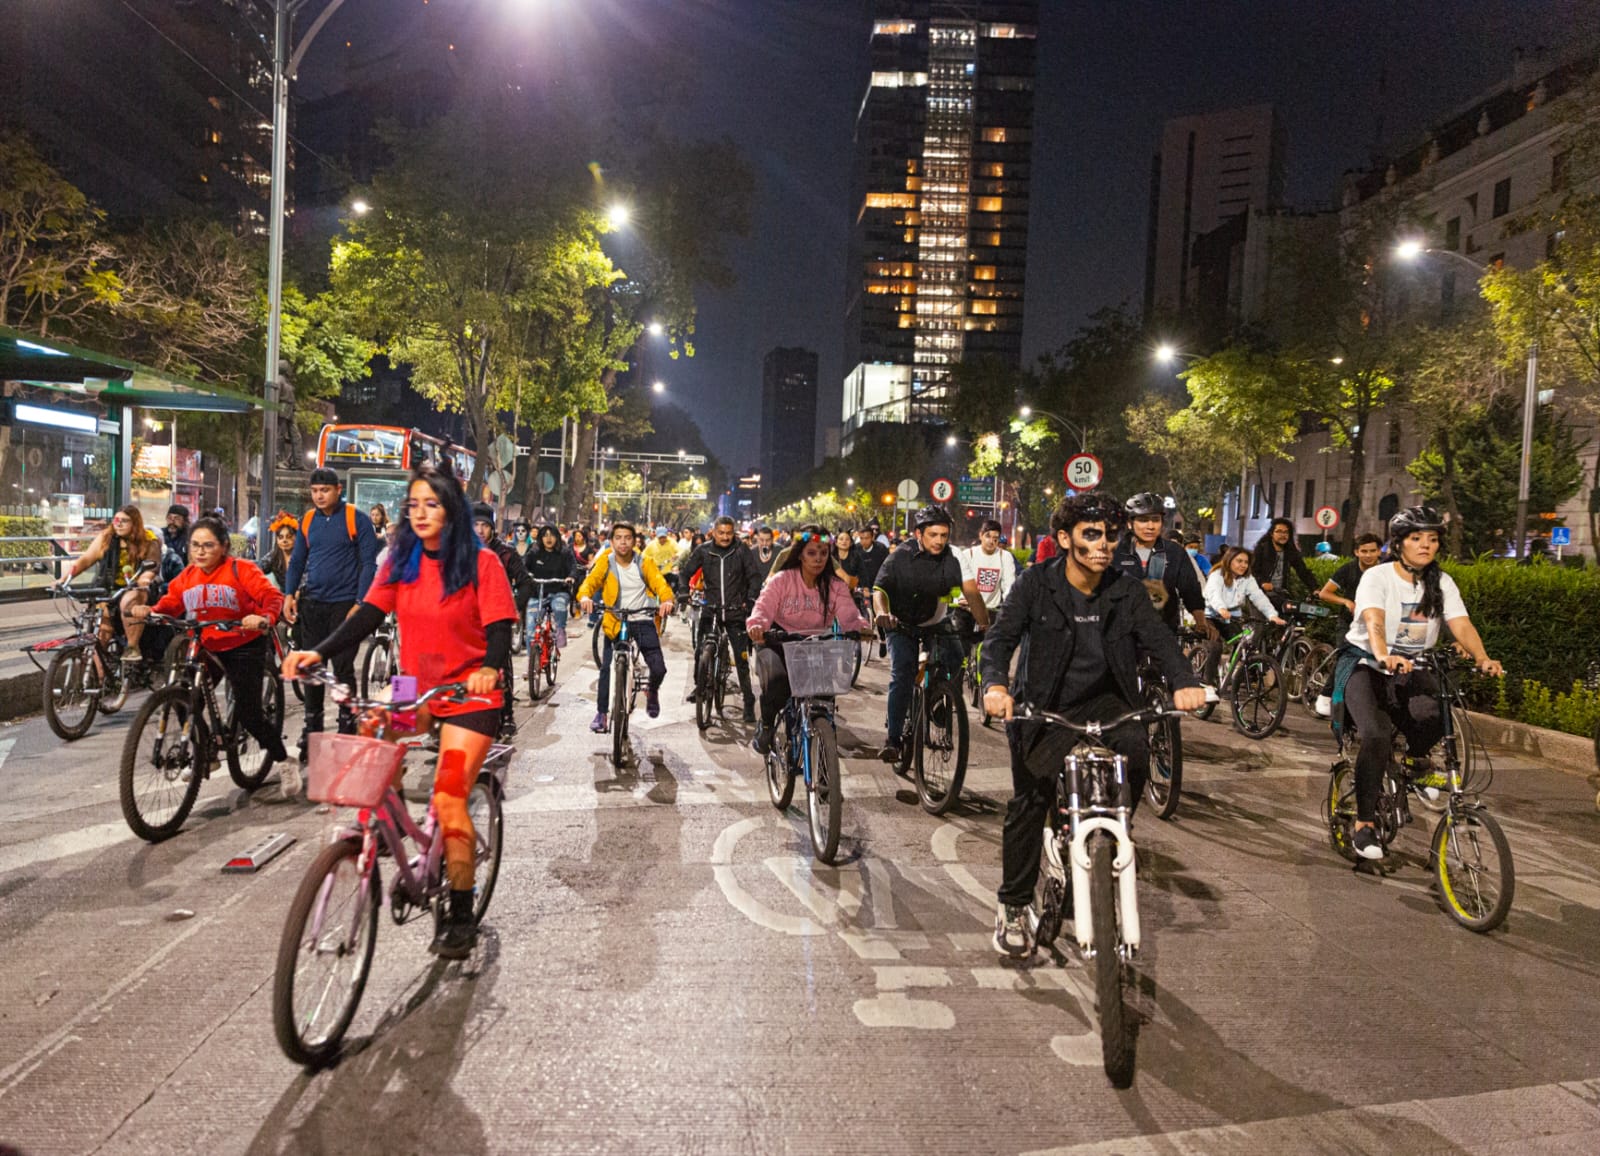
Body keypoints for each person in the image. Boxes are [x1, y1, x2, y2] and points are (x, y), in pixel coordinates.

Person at [283, 462, 517, 958]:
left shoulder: (482, 563)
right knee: (373, 731)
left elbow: (499, 629)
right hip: (415, 686)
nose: (422, 513)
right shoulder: (400, 561)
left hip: (468, 695)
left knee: (451, 797)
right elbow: (368, 614)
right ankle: (387, 828)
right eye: (414, 505)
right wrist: (319, 652)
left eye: (433, 504)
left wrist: (490, 669)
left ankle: (459, 908)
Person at [980, 494, 1206, 960]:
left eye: (1109, 535)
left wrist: (1185, 681)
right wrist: (996, 686)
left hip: (1109, 703)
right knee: (1030, 798)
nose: (1104, 544)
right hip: (1046, 704)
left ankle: (1112, 840)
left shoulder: (1125, 590)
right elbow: (1000, 639)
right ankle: (1014, 904)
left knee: (1138, 756)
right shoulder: (1035, 585)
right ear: (1065, 539)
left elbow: (1160, 641)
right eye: (1092, 535)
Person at [1339, 506, 1501, 861]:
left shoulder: (1440, 583)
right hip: (1367, 666)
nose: (1426, 546)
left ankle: (1415, 761)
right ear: (1398, 544)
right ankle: (1364, 824)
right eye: (1416, 539)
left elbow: (1460, 624)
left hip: (1413, 667)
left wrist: (1482, 657)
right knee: (1377, 735)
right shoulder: (1378, 577)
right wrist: (1383, 654)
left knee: (1436, 714)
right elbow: (1374, 619)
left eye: (1432, 539)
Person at [131, 514, 290, 779]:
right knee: (183, 697)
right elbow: (172, 603)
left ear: (224, 546)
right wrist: (151, 611)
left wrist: (263, 618)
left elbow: (271, 596)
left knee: (249, 714)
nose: (200, 552)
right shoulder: (188, 575)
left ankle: (284, 760)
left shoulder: (242, 569)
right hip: (207, 644)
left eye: (208, 545)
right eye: (195, 545)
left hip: (244, 644)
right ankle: (205, 752)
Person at [283, 467, 381, 758]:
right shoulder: (308, 520)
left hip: (344, 605)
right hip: (313, 603)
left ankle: (347, 724)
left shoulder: (356, 519)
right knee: (311, 668)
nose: (319, 496)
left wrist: (360, 602)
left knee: (342, 668)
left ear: (339, 489)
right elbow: (298, 559)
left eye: (324, 490)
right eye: (314, 491)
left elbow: (368, 563)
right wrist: (289, 593)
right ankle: (312, 729)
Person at [746, 523, 872, 751]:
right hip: (779, 640)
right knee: (776, 683)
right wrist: (757, 626)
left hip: (817, 645)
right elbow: (763, 608)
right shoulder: (782, 580)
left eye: (824, 553)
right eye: (812, 553)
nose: (818, 559)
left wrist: (860, 627)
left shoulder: (835, 585)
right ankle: (765, 725)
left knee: (825, 694)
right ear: (800, 555)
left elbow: (848, 614)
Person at [873, 506, 965, 764]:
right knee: (903, 671)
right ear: (918, 534)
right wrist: (882, 613)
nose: (939, 541)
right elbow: (879, 589)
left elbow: (962, 588)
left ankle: (936, 698)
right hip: (900, 624)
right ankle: (892, 739)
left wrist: (970, 610)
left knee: (957, 657)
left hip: (934, 622)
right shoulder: (899, 557)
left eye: (944, 535)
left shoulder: (951, 558)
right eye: (933, 534)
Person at [578, 522, 675, 733]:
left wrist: (666, 600)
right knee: (606, 669)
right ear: (611, 542)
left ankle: (652, 691)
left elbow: (660, 583)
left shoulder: (644, 562)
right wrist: (585, 596)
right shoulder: (606, 561)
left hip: (641, 619)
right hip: (615, 619)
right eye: (618, 538)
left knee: (658, 668)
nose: (623, 542)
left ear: (635, 541)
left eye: (628, 538)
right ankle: (602, 713)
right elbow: (591, 582)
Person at [678, 515, 766, 723]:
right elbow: (685, 573)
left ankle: (747, 701)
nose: (725, 537)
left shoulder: (741, 550)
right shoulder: (703, 550)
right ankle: (700, 687)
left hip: (736, 611)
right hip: (711, 609)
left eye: (729, 533)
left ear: (733, 533)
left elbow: (754, 577)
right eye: (721, 533)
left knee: (742, 659)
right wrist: (683, 591)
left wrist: (751, 599)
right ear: (714, 533)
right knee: (701, 650)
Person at [55, 505, 164, 661]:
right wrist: (63, 580)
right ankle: (100, 679)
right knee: (100, 632)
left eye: (124, 521)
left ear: (135, 523)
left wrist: (144, 579)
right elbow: (85, 560)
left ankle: (132, 647)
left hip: (137, 588)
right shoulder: (106, 538)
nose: (118, 524)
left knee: (129, 599)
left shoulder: (148, 540)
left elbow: (152, 567)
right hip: (109, 587)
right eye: (116, 520)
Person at [1112, 493, 1213, 639]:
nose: (1150, 526)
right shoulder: (1115, 551)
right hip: (1122, 633)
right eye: (1143, 520)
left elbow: (1190, 589)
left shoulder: (1174, 552)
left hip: (1163, 631)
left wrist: (1201, 621)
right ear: (1130, 523)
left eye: (1155, 520)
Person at [473, 503, 531, 736]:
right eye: (475, 525)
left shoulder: (506, 553)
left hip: (497, 618)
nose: (479, 530)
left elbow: (525, 582)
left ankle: (507, 714)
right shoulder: (460, 553)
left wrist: (515, 608)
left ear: (492, 528)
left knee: (501, 666)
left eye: (484, 526)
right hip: (468, 620)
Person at [1203, 546, 1287, 655]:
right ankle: (1209, 673)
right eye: (1239, 561)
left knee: (1245, 646)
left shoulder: (1247, 578)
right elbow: (1214, 594)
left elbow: (1258, 597)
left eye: (1246, 562)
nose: (1243, 565)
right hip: (1211, 616)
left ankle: (1234, 670)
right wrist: (1221, 608)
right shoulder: (1217, 575)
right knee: (1215, 648)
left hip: (1232, 618)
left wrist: (1272, 615)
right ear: (1229, 560)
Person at [958, 518, 1018, 633]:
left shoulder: (1005, 557)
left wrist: (1009, 604)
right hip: (966, 610)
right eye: (988, 536)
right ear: (980, 535)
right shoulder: (968, 554)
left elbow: (1009, 585)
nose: (991, 541)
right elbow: (958, 580)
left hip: (991, 611)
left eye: (995, 539)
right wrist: (961, 598)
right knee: (962, 646)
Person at [525, 524, 577, 648]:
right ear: (541, 538)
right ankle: (532, 662)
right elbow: (523, 567)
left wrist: (571, 577)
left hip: (559, 591)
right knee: (531, 631)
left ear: (557, 537)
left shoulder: (565, 552)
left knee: (559, 607)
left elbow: (573, 568)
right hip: (537, 593)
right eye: (545, 535)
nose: (549, 539)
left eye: (552, 535)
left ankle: (560, 630)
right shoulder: (533, 552)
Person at [1318, 533, 1383, 620]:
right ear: (1356, 552)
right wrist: (1346, 602)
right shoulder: (1348, 569)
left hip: (1380, 620)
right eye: (1364, 551)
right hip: (1349, 620)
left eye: (1372, 551)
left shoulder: (1387, 570)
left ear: (1379, 551)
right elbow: (1324, 593)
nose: (1368, 555)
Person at [1252, 517, 1317, 604]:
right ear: (1272, 534)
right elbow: (1252, 571)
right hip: (1259, 594)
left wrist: (1315, 588)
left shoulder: (1290, 551)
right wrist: (1262, 583)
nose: (1283, 535)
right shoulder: (1262, 549)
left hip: (1280, 595)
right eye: (1279, 531)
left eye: (1286, 532)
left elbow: (1303, 571)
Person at [644, 526, 682, 600]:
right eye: (660, 538)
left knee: (678, 580)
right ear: (657, 536)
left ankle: (673, 599)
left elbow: (681, 551)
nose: (662, 539)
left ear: (667, 535)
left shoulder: (672, 542)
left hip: (667, 572)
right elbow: (644, 555)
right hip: (656, 573)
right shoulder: (652, 544)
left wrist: (676, 555)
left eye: (664, 537)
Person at [264, 512, 298, 590]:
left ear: (296, 537)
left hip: (305, 599)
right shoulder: (273, 556)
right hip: (282, 598)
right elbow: (257, 569)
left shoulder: (305, 557)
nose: (284, 540)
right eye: (281, 537)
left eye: (289, 537)